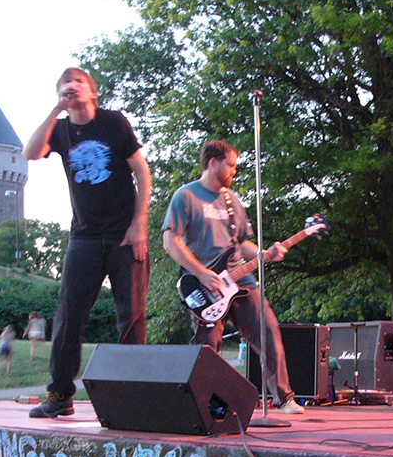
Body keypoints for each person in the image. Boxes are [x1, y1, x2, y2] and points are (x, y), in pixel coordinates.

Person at [22, 67, 152, 418]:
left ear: (92, 92)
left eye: (78, 82)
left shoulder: (113, 123)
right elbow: (30, 153)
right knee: (68, 314)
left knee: (131, 316)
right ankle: (60, 395)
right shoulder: (61, 130)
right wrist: (54, 112)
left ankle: (131, 399)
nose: (71, 87)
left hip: (125, 234)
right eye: (65, 84)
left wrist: (139, 225)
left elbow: (142, 172)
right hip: (85, 236)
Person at [161, 140, 304, 415]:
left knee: (269, 331)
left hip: (241, 281)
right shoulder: (186, 196)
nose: (234, 171)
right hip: (205, 285)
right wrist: (200, 272)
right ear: (213, 162)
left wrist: (264, 253)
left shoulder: (232, 200)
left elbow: (240, 244)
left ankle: (283, 399)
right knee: (207, 345)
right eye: (231, 165)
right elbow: (170, 241)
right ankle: (201, 403)